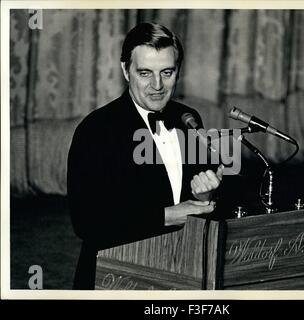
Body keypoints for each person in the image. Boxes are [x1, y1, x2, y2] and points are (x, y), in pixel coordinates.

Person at [67, 23, 224, 289]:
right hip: (116, 276)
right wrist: (166, 215)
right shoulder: (95, 130)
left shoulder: (188, 119)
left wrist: (203, 195)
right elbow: (87, 223)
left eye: (167, 72)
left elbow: (196, 198)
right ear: (125, 71)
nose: (157, 85)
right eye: (144, 73)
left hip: (183, 270)